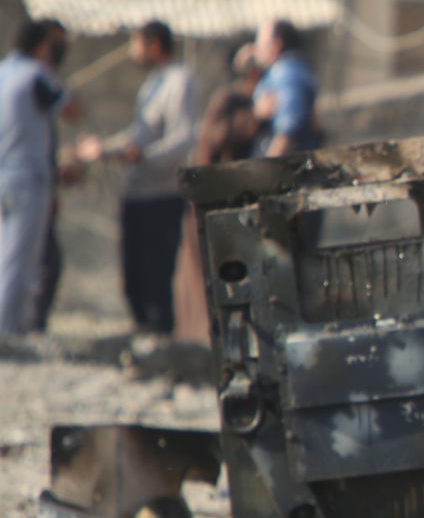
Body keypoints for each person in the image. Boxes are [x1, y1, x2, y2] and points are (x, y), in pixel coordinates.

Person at [74, 20, 201, 335]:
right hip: (137, 195)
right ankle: (146, 345)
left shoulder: (178, 82)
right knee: (134, 282)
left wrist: (141, 157)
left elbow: (182, 140)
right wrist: (104, 150)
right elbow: (139, 137)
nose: (132, 51)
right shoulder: (153, 84)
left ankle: (160, 353)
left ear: (154, 44)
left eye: (136, 43)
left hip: (161, 196)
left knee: (156, 281)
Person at [173, 41, 263, 345]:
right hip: (212, 206)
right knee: (206, 284)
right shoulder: (230, 100)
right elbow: (212, 138)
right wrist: (252, 119)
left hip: (239, 207)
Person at [0, 19, 75, 336]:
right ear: (44, 44)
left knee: (7, 253)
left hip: (5, 173)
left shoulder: (4, 71)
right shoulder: (36, 74)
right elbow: (72, 109)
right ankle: (8, 330)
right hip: (27, 177)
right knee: (22, 258)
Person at [250, 20, 320, 157]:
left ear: (276, 45)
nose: (256, 49)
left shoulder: (285, 73)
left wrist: (267, 172)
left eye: (261, 43)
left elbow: (288, 130)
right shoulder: (282, 72)